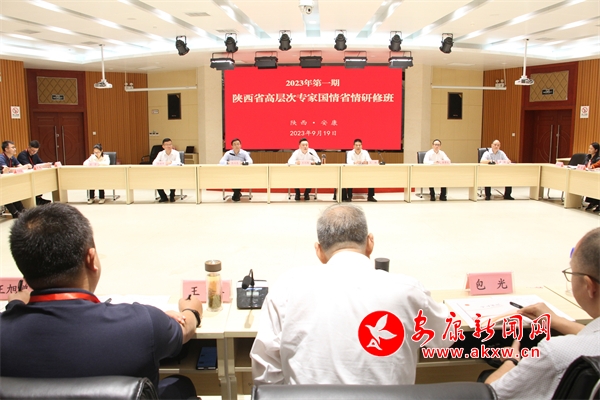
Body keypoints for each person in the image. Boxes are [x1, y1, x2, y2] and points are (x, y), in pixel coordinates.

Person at [0, 203, 202, 399]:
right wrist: (191, 311)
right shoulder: (142, 323)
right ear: (91, 259)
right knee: (180, 385)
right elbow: (183, 331)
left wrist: (15, 306)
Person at [250, 204, 451, 385]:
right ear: (370, 243)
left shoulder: (288, 287)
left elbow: (265, 373)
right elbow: (445, 337)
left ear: (319, 251)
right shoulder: (408, 291)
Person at [486, 227, 600, 399]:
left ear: (590, 286)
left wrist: (512, 360)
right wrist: (556, 320)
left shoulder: (555, 353)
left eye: (572, 272)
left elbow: (490, 393)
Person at [1, 140, 32, 218]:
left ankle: (21, 209)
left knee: (14, 190)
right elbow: (6, 169)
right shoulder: (1, 157)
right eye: (12, 147)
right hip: (2, 183)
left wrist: (23, 167)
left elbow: (20, 167)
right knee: (5, 192)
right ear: (6, 149)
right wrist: (24, 167)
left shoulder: (12, 158)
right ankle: (15, 212)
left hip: (7, 181)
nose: (15, 149)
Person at [17, 140, 53, 205]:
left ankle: (38, 198)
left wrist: (46, 164)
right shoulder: (22, 155)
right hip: (25, 177)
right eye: (32, 150)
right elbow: (28, 166)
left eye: (36, 151)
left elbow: (40, 163)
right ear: (28, 147)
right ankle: (36, 199)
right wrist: (42, 165)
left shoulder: (35, 154)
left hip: (34, 175)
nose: (34, 152)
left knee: (42, 180)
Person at [219, 138, 253, 202]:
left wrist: (243, 163)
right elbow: (221, 162)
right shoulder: (228, 153)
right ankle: (237, 193)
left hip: (242, 173)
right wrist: (227, 162)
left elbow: (250, 161)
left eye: (238, 144)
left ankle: (236, 194)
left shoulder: (244, 153)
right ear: (232, 146)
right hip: (231, 173)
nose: (236, 146)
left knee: (238, 177)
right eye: (234, 144)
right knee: (232, 177)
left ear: (240, 145)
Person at [153, 138, 182, 203]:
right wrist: (164, 163)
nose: (169, 146)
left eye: (170, 144)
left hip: (173, 172)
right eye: (167, 145)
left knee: (173, 178)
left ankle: (172, 195)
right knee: (156, 179)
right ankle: (163, 197)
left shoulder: (176, 153)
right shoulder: (160, 153)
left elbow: (178, 163)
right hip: (162, 172)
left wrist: (171, 162)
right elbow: (154, 163)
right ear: (163, 146)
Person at [583, 142, 600, 211]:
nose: (589, 150)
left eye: (591, 148)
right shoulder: (588, 156)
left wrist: (592, 166)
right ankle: (592, 202)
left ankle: (595, 202)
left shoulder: (598, 158)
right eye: (589, 148)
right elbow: (585, 164)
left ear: (596, 150)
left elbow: (597, 165)